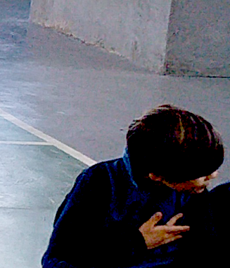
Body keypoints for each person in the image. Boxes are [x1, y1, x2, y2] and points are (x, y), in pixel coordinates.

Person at [43, 105, 221, 268]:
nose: (212, 176)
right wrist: (137, 243)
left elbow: (204, 252)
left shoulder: (193, 192)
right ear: (157, 175)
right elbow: (58, 259)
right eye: (202, 173)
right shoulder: (100, 182)